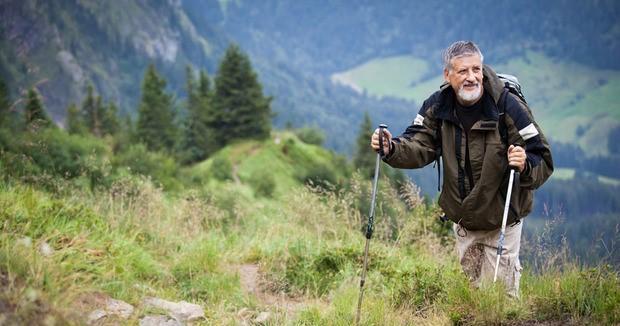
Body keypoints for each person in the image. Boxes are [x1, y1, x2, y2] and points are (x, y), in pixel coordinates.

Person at [370, 41, 553, 297]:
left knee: (500, 300)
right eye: (463, 71)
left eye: (476, 70)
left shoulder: (507, 106)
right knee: (473, 296)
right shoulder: (438, 106)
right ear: (448, 74)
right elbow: (418, 144)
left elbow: (542, 158)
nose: (471, 78)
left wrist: (524, 165)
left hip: (501, 220)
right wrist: (390, 148)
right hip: (464, 222)